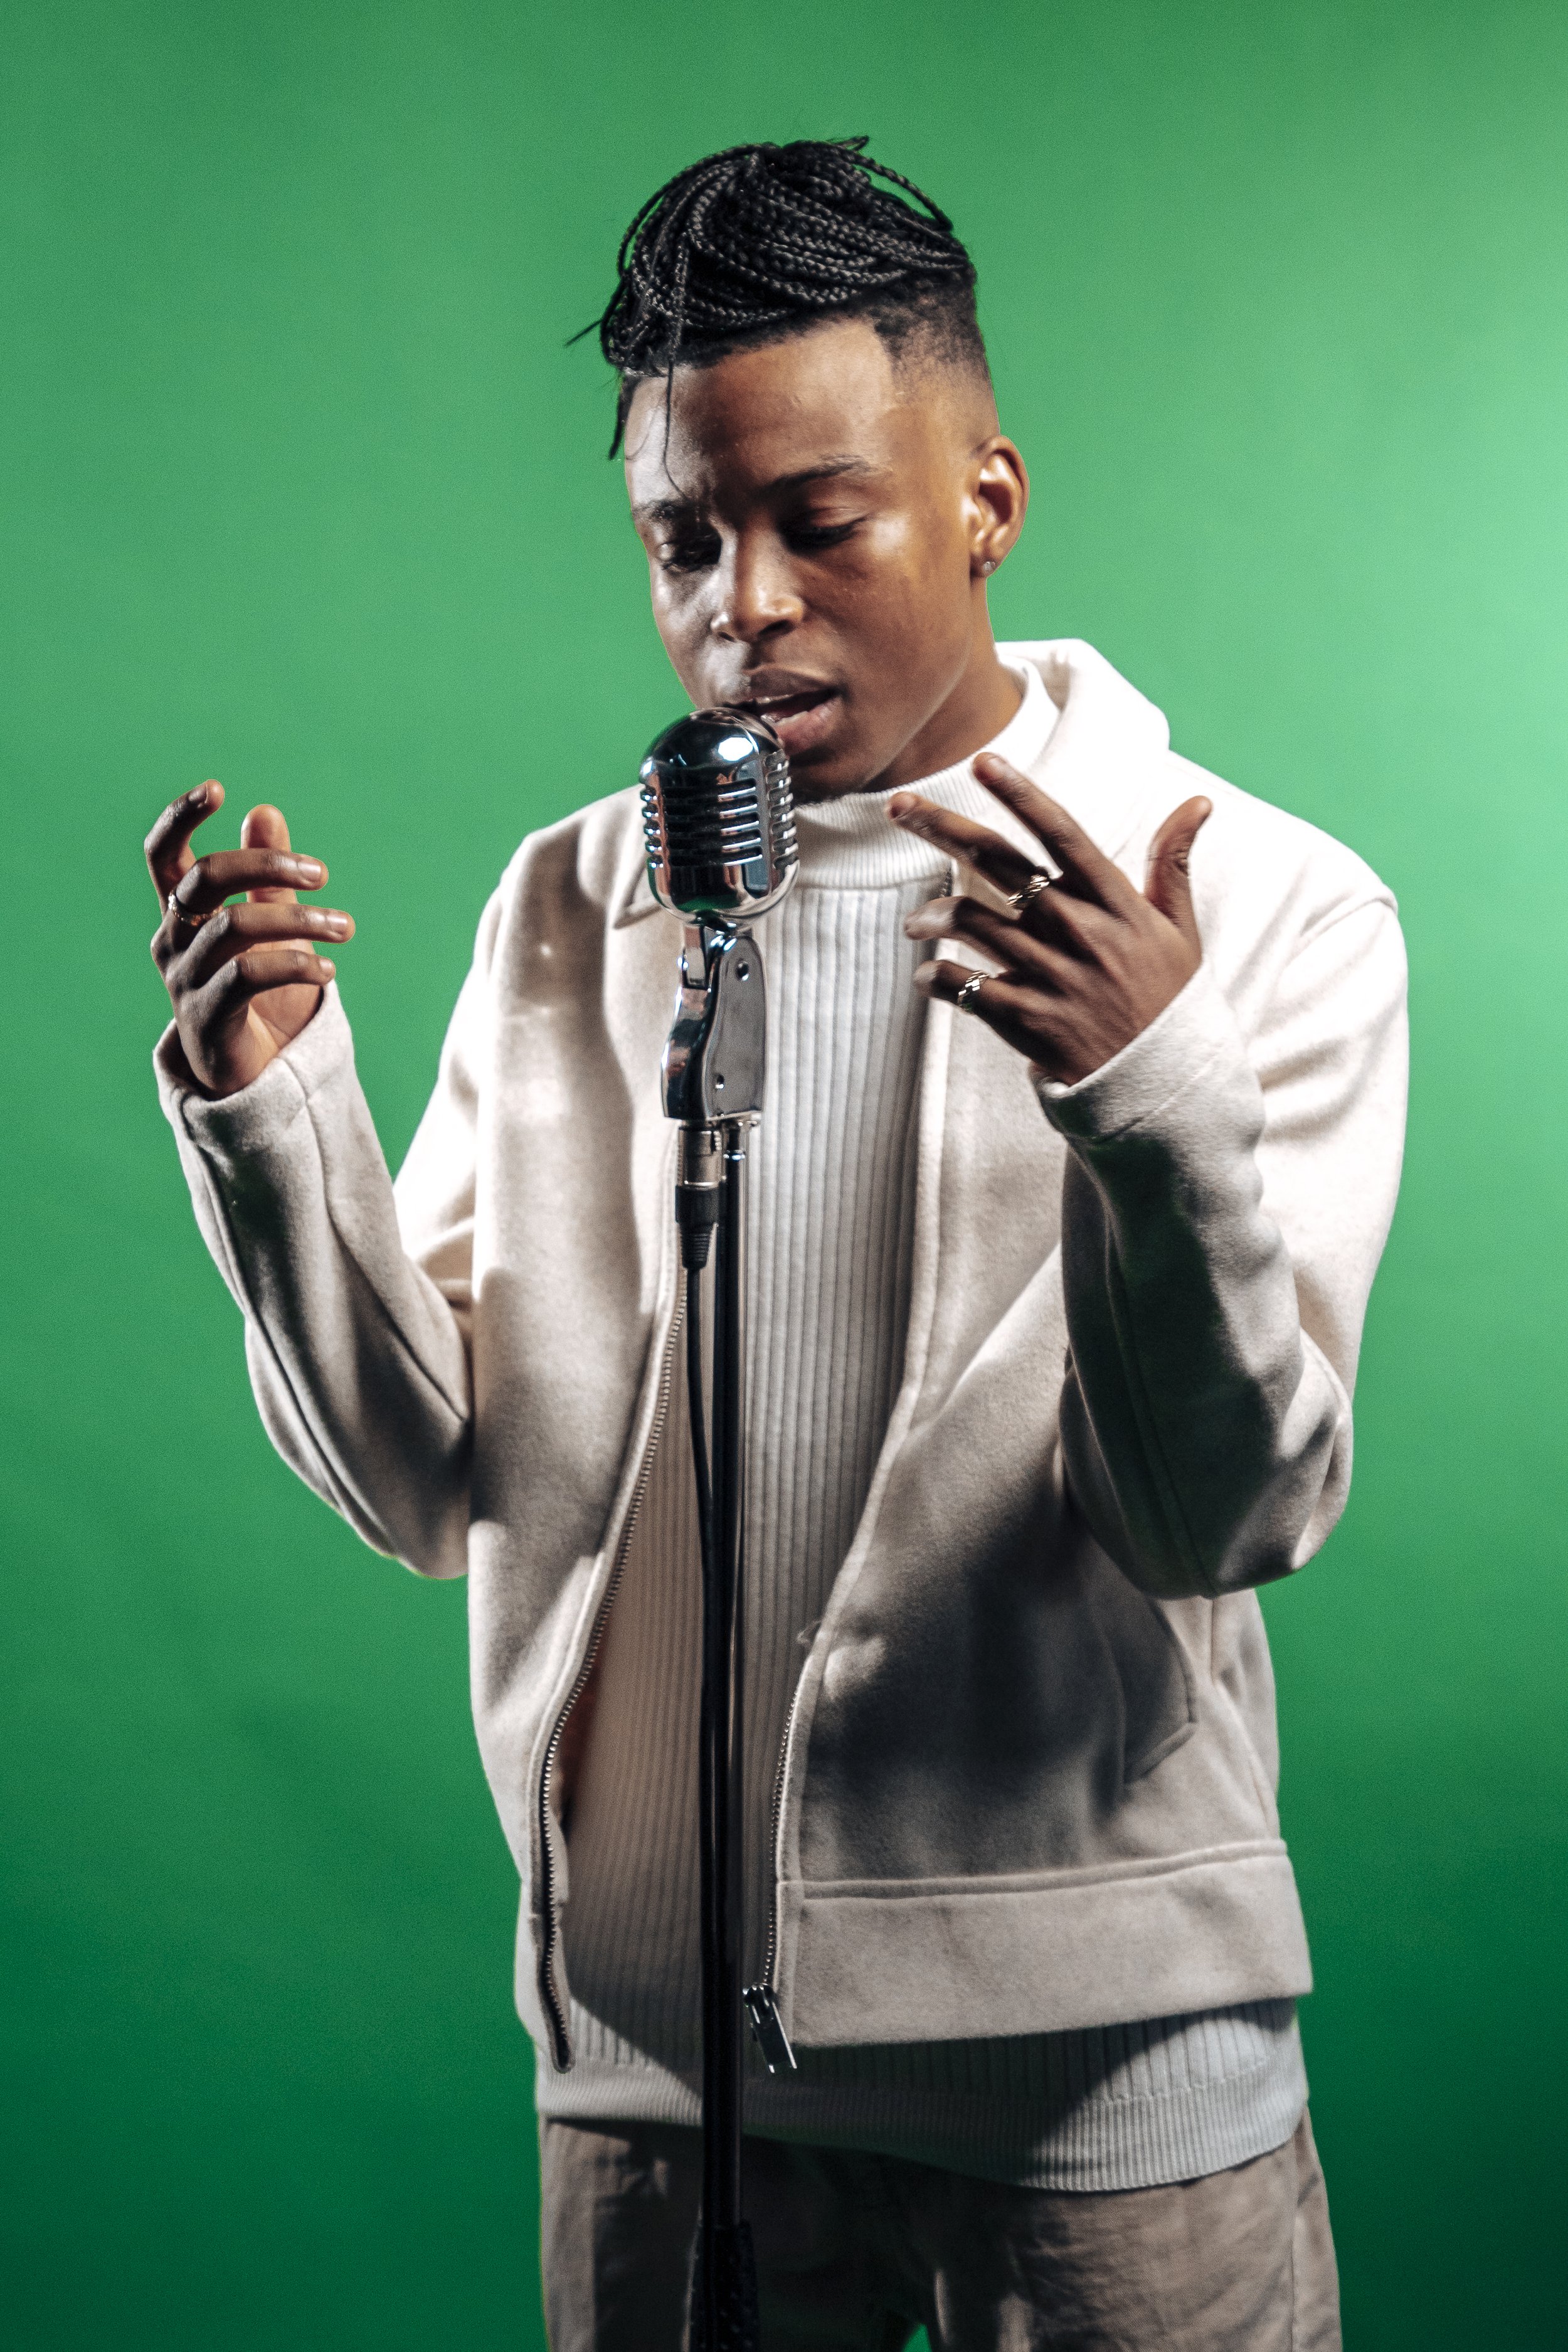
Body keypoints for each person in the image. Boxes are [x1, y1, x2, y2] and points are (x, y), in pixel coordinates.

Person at [145, 139, 1406, 2352]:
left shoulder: (1256, 906)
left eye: (821, 521)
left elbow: (1218, 1516)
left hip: (1099, 2069)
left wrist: (1152, 1102)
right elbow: (425, 1486)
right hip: (654, 2073)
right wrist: (272, 1119)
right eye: (681, 537)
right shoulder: (575, 902)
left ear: (985, 501)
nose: (743, 601)